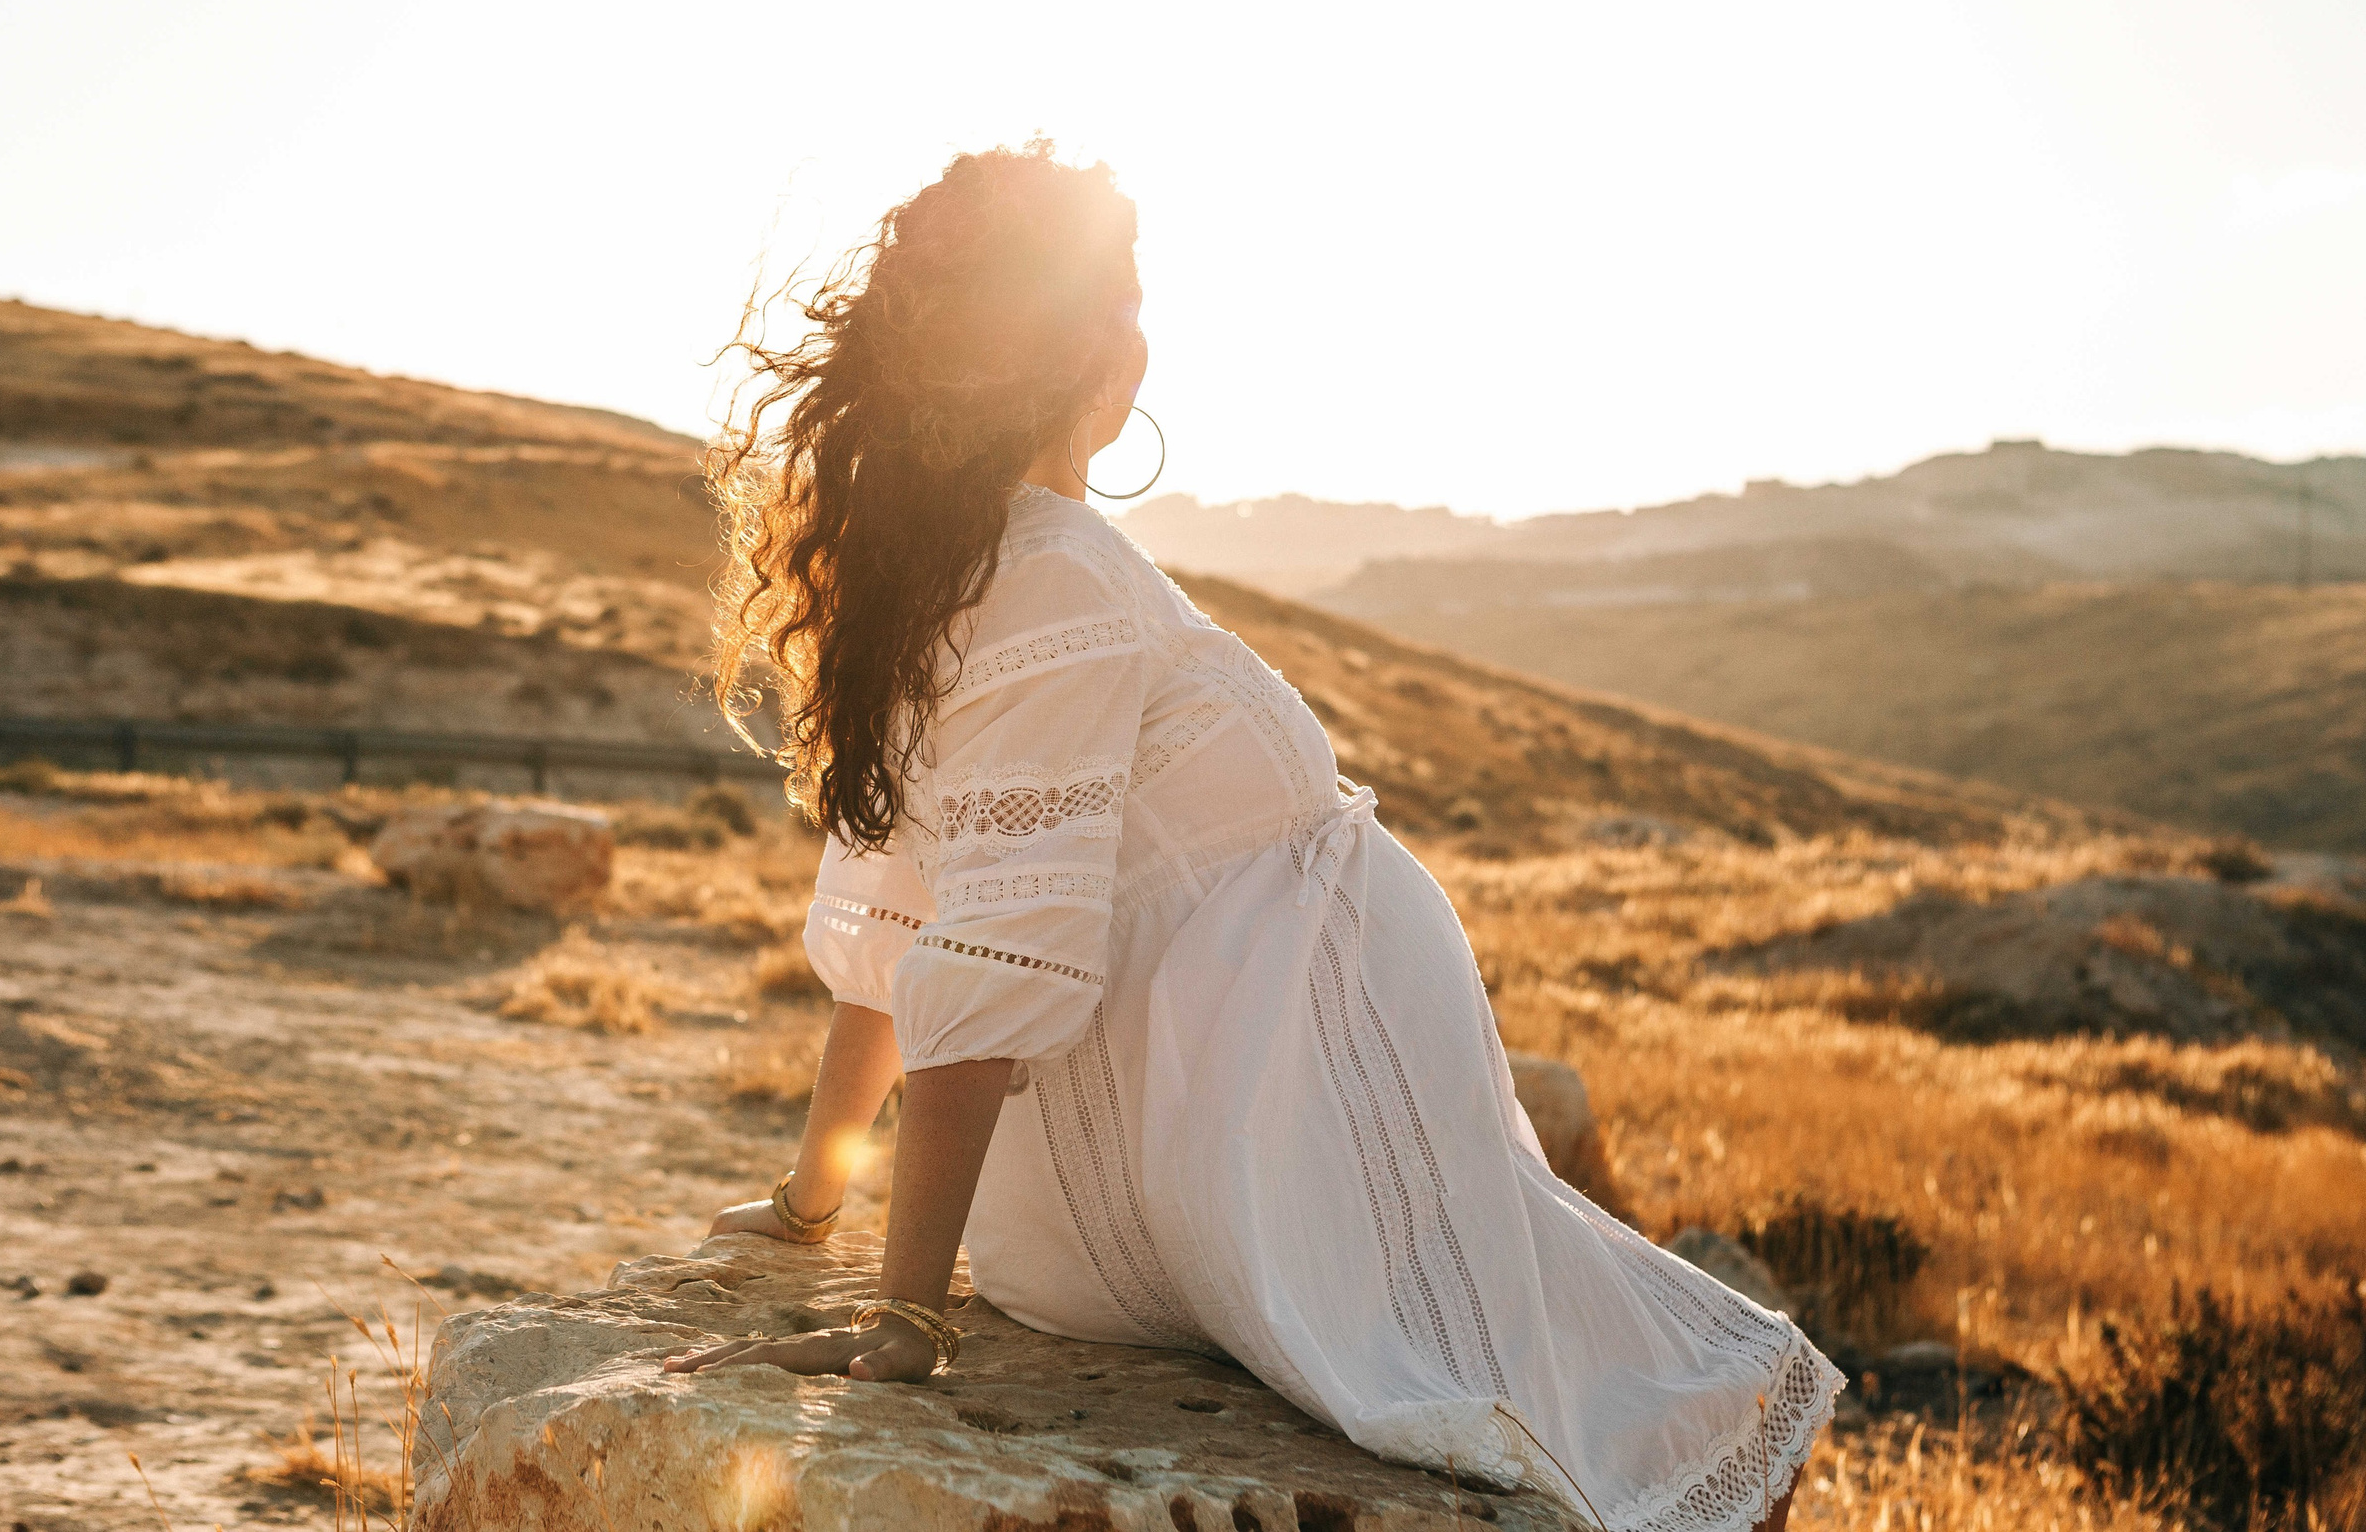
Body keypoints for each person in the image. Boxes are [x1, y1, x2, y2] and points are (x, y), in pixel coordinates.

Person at [662, 141, 1838, 1531]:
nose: (1137, 339)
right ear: (1049, 348)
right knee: (1681, 1402)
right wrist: (907, 1308)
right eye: (1117, 302)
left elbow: (904, 911)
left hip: (1176, 1170)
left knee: (1626, 1359)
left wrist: (814, 1202)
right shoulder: (1050, 570)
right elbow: (973, 941)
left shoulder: (956, 577)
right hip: (1261, 1159)